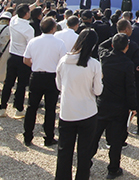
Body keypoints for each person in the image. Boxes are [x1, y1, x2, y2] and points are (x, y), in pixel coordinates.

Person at [55, 29, 103, 180]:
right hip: (87, 112)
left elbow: (59, 85)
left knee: (64, 150)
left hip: (67, 111)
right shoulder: (94, 64)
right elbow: (98, 91)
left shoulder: (63, 61)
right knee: (84, 152)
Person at [93, 32, 137, 179]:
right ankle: (113, 169)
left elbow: (100, 45)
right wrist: (133, 106)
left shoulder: (104, 57)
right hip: (120, 105)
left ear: (112, 45)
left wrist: (114, 37)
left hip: (103, 102)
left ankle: (85, 162)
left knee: (95, 136)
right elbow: (130, 87)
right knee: (116, 140)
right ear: (127, 47)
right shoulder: (128, 64)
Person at [23, 17, 67, 147]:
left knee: (32, 107)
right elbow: (63, 62)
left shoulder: (33, 41)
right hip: (52, 77)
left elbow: (26, 60)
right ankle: (49, 137)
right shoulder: (59, 43)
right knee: (50, 109)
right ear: (53, 28)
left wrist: (36, 65)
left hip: (36, 75)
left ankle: (27, 136)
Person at [0, 3, 37, 118]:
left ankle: (2, 107)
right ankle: (19, 108)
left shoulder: (13, 21)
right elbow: (30, 46)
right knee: (21, 85)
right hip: (22, 58)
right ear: (27, 14)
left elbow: (21, 13)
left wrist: (36, 4)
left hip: (12, 56)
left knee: (8, 83)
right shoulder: (29, 29)